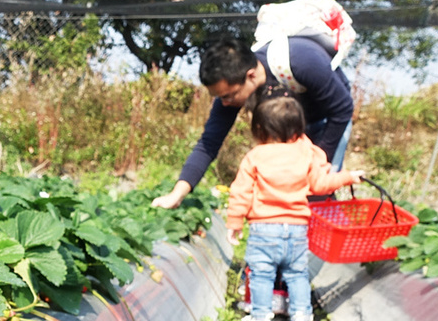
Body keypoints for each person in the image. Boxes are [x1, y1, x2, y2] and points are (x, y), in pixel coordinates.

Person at [151, 35, 354, 210]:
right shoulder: (231, 87)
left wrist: (312, 162)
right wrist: (177, 193)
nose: (225, 103)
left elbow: (343, 109)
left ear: (250, 75)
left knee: (315, 189)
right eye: (219, 97)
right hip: (290, 129)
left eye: (229, 96)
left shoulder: (301, 61)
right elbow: (209, 142)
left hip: (328, 117)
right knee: (284, 192)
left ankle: (330, 251)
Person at [226, 92, 363, 321]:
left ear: (260, 128)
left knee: (261, 273)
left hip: (264, 229)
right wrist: (347, 177)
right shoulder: (306, 155)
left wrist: (235, 221)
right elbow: (321, 184)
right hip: (297, 228)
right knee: (297, 274)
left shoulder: (256, 156)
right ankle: (302, 320)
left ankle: (260, 319)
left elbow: (241, 191)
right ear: (298, 129)